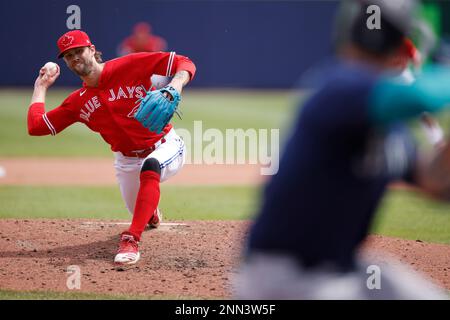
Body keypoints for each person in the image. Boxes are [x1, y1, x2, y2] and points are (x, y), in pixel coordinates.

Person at [234, 0, 450, 299]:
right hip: (283, 280)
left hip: (341, 269)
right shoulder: (339, 87)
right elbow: (419, 97)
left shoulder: (389, 129)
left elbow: (433, 181)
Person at [27, 30, 196, 266]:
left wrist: (176, 85)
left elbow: (184, 62)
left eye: (79, 51)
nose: (75, 58)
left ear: (92, 50)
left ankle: (131, 240)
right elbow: (36, 126)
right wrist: (41, 86)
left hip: (165, 145)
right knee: (140, 207)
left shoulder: (129, 65)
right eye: (68, 56)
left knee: (151, 166)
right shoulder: (77, 101)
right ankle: (150, 213)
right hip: (126, 161)